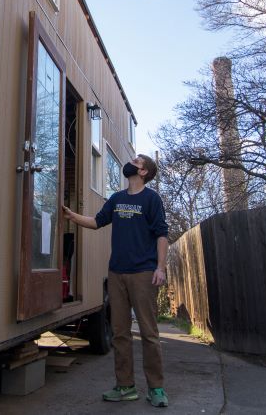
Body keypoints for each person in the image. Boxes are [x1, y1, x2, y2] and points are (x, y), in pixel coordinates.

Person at [62, 153, 170, 408]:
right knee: (120, 333)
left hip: (143, 273)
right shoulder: (117, 199)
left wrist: (160, 267)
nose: (130, 163)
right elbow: (97, 222)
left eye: (136, 161)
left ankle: (156, 388)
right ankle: (125, 386)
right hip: (116, 273)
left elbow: (162, 235)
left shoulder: (152, 199)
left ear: (143, 172)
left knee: (149, 333)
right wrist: (72, 216)